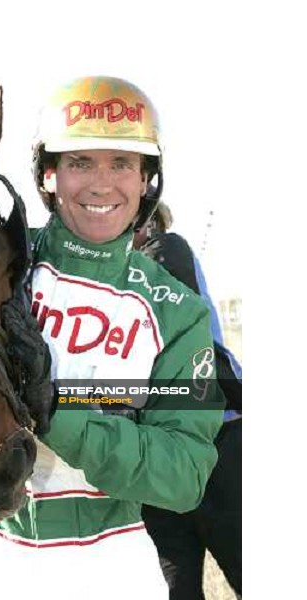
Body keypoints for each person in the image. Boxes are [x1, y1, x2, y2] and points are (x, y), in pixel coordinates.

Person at [0, 76, 224, 600]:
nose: (102, 184)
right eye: (80, 163)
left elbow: (185, 475)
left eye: (122, 163)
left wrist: (58, 414)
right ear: (48, 175)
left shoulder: (178, 312)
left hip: (115, 565)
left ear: (147, 181)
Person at [135, 203, 242, 598]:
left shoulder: (164, 251)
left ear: (146, 223)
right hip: (164, 457)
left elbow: (181, 373)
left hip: (216, 441)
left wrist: (77, 398)